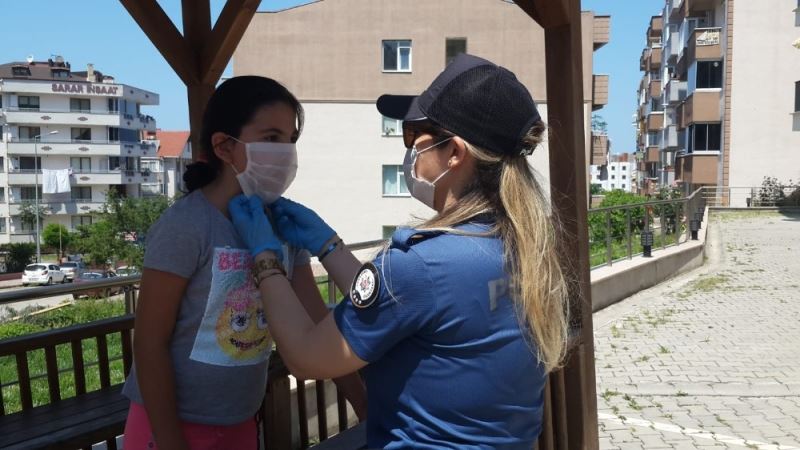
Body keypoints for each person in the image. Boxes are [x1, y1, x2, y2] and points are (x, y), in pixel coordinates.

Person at [229, 54, 571, 448]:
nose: (409, 148)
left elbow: (307, 356)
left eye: (413, 135)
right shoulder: (522, 245)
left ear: (454, 152)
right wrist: (328, 245)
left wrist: (266, 259)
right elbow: (401, 306)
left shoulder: (423, 262)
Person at [121, 76, 366, 450]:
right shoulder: (187, 225)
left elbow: (319, 324)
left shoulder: (284, 228)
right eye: (271, 138)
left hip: (241, 419)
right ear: (224, 146)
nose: (286, 152)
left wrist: (366, 406)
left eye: (290, 140)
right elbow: (150, 342)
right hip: (169, 427)